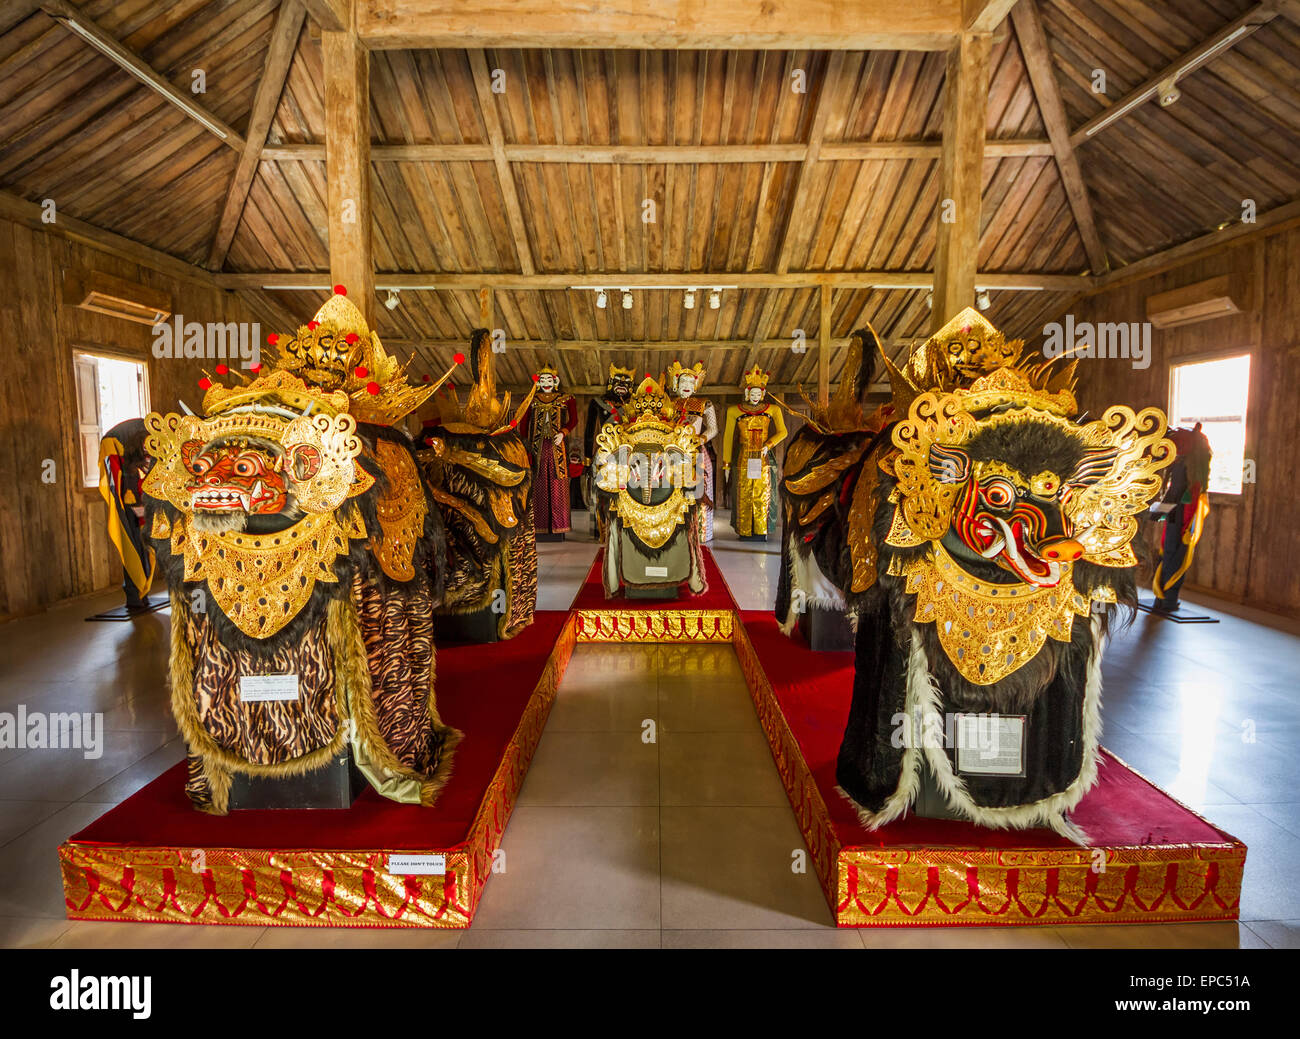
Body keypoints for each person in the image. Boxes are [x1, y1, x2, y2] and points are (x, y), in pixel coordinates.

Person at [722, 365, 787, 540]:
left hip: (762, 456)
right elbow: (727, 438)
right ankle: (744, 530)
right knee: (743, 493)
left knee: (762, 493)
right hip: (743, 456)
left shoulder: (773, 410)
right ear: (746, 394)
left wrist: (769, 445)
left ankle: (761, 530)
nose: (756, 397)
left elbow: (783, 432)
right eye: (753, 394)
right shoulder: (734, 411)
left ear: (763, 394)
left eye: (759, 394)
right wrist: (726, 463)